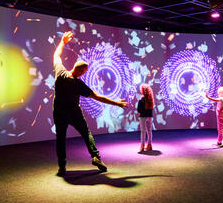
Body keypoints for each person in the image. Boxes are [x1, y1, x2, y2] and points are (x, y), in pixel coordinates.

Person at [52, 32, 127, 175]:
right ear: (79, 70)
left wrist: (62, 42)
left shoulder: (60, 73)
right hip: (74, 113)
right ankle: (95, 157)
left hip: (59, 112)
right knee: (86, 134)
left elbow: (56, 56)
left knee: (60, 139)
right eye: (84, 71)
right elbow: (98, 97)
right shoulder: (79, 84)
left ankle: (62, 166)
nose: (84, 74)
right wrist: (117, 103)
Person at [137, 84, 154, 152]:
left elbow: (138, 109)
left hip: (143, 117)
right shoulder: (151, 99)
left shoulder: (141, 99)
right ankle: (149, 145)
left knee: (143, 131)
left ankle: (142, 146)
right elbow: (151, 109)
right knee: (149, 131)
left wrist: (140, 112)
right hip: (149, 117)